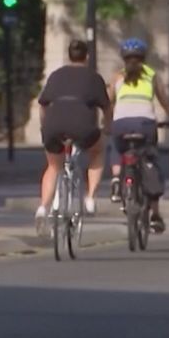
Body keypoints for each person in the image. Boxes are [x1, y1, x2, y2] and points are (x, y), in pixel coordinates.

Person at [35, 40, 109, 234]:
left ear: (69, 55)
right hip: (82, 126)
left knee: (53, 166)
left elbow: (42, 104)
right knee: (98, 150)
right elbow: (106, 107)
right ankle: (90, 198)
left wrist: (44, 125)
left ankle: (43, 207)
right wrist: (107, 127)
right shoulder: (94, 78)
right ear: (87, 56)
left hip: (54, 125)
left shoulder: (56, 75)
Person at [107, 38, 169, 234]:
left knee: (115, 144)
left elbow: (109, 101)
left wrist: (107, 123)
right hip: (146, 126)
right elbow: (164, 100)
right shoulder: (152, 76)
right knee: (151, 161)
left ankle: (115, 179)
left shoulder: (117, 77)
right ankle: (155, 214)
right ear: (143, 58)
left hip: (121, 125)